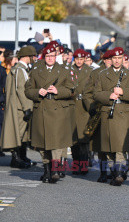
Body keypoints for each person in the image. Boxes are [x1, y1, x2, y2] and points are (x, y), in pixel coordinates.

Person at [25, 43, 74, 183]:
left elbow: (71, 90)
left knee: (56, 143)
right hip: (41, 109)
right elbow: (27, 90)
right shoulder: (36, 70)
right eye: (48, 56)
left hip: (58, 110)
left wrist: (58, 91)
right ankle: (47, 170)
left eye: (53, 56)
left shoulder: (63, 70)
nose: (50, 58)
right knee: (42, 144)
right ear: (44, 57)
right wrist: (36, 92)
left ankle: (55, 170)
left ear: (56, 56)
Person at [93, 47, 129, 186]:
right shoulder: (102, 74)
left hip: (124, 112)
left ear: (123, 59)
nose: (117, 61)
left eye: (120, 58)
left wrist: (123, 92)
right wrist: (108, 95)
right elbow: (96, 93)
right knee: (109, 147)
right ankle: (115, 172)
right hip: (108, 112)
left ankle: (119, 173)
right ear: (111, 60)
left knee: (120, 146)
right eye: (114, 58)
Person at [0, 46, 37, 168]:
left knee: (24, 135)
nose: (34, 58)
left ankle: (21, 156)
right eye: (33, 56)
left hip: (18, 106)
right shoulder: (20, 70)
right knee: (19, 134)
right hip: (20, 107)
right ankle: (16, 159)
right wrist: (27, 108)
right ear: (28, 56)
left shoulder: (19, 69)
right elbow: (22, 90)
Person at [83, 50, 113, 183]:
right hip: (99, 112)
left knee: (114, 143)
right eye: (108, 60)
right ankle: (103, 172)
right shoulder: (96, 73)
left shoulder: (121, 73)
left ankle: (115, 171)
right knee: (101, 145)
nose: (111, 62)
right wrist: (92, 107)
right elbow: (87, 93)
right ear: (104, 60)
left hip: (115, 112)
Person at [70, 49, 93, 175]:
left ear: (85, 59)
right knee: (73, 140)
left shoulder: (89, 71)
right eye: (77, 59)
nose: (79, 61)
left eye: (81, 59)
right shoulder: (69, 70)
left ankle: (83, 165)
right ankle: (75, 163)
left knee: (83, 139)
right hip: (73, 106)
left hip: (84, 107)